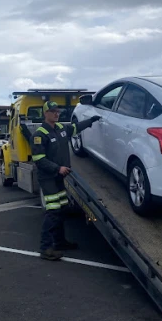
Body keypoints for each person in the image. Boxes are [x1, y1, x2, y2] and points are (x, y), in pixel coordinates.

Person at [30, 100, 101, 261]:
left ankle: (60, 242)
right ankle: (45, 248)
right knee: (53, 212)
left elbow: (75, 128)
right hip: (49, 178)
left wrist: (91, 121)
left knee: (61, 210)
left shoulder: (61, 128)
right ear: (45, 113)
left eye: (58, 111)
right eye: (53, 111)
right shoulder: (39, 135)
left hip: (59, 177)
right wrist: (57, 168)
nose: (56, 114)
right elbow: (40, 160)